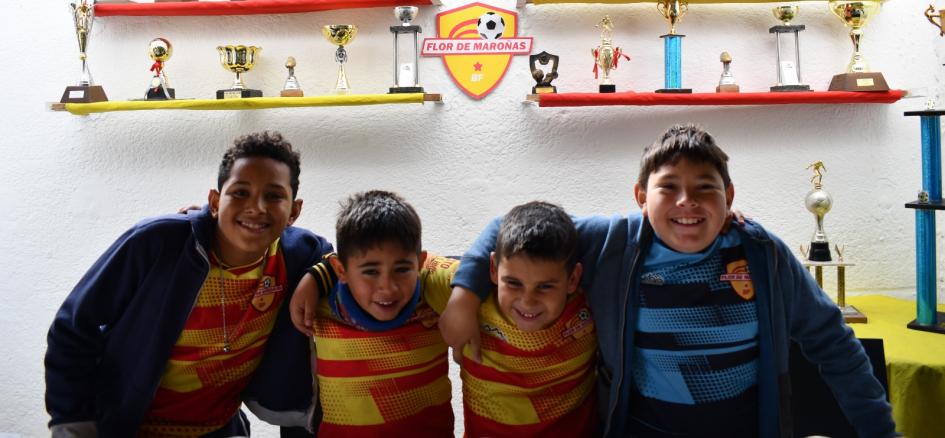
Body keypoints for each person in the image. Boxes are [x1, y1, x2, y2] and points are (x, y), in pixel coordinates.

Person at [440, 123, 898, 438]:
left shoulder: (762, 254)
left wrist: (881, 431)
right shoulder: (610, 243)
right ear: (641, 196)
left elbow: (833, 343)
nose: (687, 202)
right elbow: (512, 223)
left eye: (705, 187)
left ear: (729, 196)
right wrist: (462, 295)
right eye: (668, 188)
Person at [45, 131, 333, 437]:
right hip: (126, 428)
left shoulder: (299, 255)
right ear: (214, 201)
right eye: (239, 193)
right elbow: (73, 327)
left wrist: (315, 276)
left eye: (274, 196)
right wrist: (74, 424)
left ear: (294, 211)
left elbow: (344, 265)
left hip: (219, 429)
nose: (256, 207)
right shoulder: (157, 243)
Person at [300, 190, 454, 437]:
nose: (388, 287)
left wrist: (460, 306)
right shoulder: (319, 305)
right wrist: (315, 275)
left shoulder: (432, 296)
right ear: (341, 270)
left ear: (420, 264)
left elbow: (479, 272)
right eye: (371, 272)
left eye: (402, 269)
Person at [451, 200, 598, 437]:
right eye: (513, 283)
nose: (528, 301)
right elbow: (412, 270)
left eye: (546, 286)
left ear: (573, 279)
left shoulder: (593, 302)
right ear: (493, 269)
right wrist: (460, 300)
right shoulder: (466, 292)